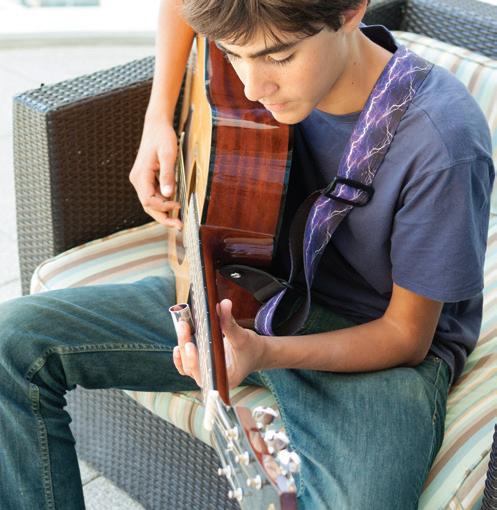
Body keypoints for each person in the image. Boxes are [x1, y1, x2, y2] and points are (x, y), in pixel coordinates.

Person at [0, 0, 494, 508]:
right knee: (11, 340)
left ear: (351, 11)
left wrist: (263, 352)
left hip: (372, 346)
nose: (255, 88)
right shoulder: (256, 33)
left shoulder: (443, 143)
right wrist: (158, 118)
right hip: (250, 287)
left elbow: (406, 338)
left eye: (278, 58)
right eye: (233, 54)